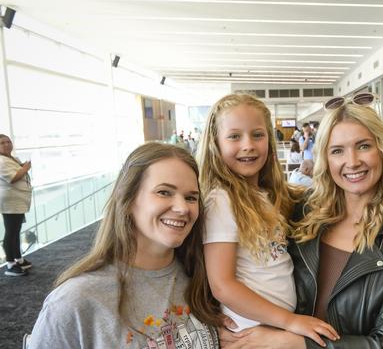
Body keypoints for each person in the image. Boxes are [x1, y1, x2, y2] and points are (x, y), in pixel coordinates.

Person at [221, 94, 383, 348]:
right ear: (325, 160)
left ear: (382, 150)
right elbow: (232, 262)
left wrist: (295, 343)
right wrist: (222, 314)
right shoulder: (299, 213)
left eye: (363, 146)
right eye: (337, 151)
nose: (352, 162)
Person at [30, 142, 221, 348]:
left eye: (191, 197)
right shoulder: (75, 300)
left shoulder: (205, 279)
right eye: (164, 192)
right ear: (128, 199)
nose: (183, 207)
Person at [196, 94, 338, 346]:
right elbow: (222, 284)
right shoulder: (221, 200)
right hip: (250, 333)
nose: (248, 145)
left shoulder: (264, 195)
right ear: (215, 144)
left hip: (271, 327)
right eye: (234, 136)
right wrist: (289, 321)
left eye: (258, 135)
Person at [0, 134, 33, 276]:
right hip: (10, 201)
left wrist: (22, 167)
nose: (7, 144)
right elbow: (12, 178)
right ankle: (10, 264)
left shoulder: (11, 158)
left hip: (17, 199)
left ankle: (19, 259)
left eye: (8, 141)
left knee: (16, 230)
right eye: (2, 143)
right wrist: (25, 168)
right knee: (11, 232)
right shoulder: (1, 161)